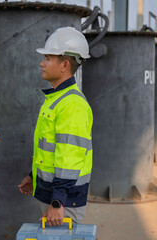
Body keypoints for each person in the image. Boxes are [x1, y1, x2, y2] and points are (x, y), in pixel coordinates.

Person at [18, 27, 93, 226]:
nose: (42, 63)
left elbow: (70, 158)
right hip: (53, 193)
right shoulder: (57, 98)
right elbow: (49, 148)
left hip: (64, 200)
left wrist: (58, 202)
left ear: (64, 65)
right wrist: (33, 176)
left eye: (48, 58)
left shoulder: (72, 105)